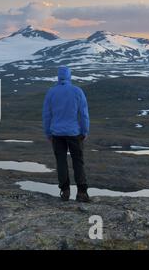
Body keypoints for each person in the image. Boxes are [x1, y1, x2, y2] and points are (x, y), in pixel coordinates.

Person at [42, 66, 90, 202]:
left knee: (61, 161)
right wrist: (85, 131)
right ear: (70, 76)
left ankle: (65, 191)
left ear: (58, 77)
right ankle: (82, 192)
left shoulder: (51, 92)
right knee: (78, 162)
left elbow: (47, 115)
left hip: (56, 134)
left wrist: (48, 132)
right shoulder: (77, 91)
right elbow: (84, 114)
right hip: (75, 133)